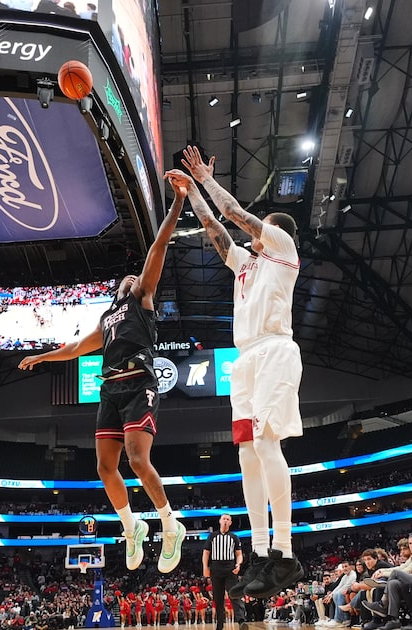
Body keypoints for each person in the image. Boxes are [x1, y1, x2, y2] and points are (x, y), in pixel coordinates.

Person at [19, 174, 187, 573]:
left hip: (139, 384)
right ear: (116, 290)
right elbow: (76, 348)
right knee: (103, 467)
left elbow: (158, 246)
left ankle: (170, 524)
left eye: (135, 276)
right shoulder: (108, 316)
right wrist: (43, 357)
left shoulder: (143, 298)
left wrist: (178, 202)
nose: (131, 277)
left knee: (137, 460)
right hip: (110, 389)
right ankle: (132, 527)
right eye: (125, 279)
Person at [173, 150, 305, 598]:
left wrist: (206, 180)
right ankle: (263, 550)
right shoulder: (245, 264)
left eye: (263, 227)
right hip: (244, 358)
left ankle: (285, 552)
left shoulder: (284, 251)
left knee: (267, 442)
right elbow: (215, 229)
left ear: (276, 233)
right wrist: (191, 194)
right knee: (246, 452)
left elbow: (233, 214)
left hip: (275, 350)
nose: (255, 232)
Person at [204, 514, 245, 630]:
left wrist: (239, 564)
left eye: (228, 519)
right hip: (215, 568)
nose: (226, 521)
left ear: (230, 523)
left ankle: (241, 620)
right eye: (224, 519)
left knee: (234, 594)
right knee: (218, 598)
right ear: (220, 521)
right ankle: (219, 625)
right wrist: (205, 568)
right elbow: (206, 553)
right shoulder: (212, 536)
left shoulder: (234, 537)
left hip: (230, 568)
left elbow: (239, 554)